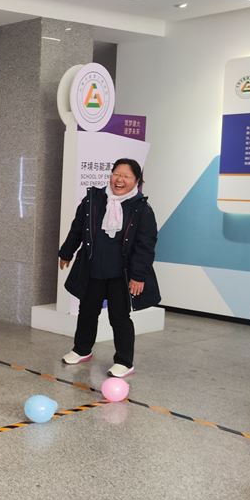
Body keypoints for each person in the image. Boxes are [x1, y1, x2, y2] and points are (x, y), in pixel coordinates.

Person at [58, 158, 159, 378]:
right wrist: (66, 252)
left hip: (121, 274)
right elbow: (77, 228)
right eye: (116, 174)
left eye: (126, 176)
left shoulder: (141, 208)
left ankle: (124, 361)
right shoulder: (93, 199)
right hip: (93, 268)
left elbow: (145, 245)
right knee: (87, 311)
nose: (119, 180)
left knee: (119, 317)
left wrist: (138, 276)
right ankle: (81, 349)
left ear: (137, 181)